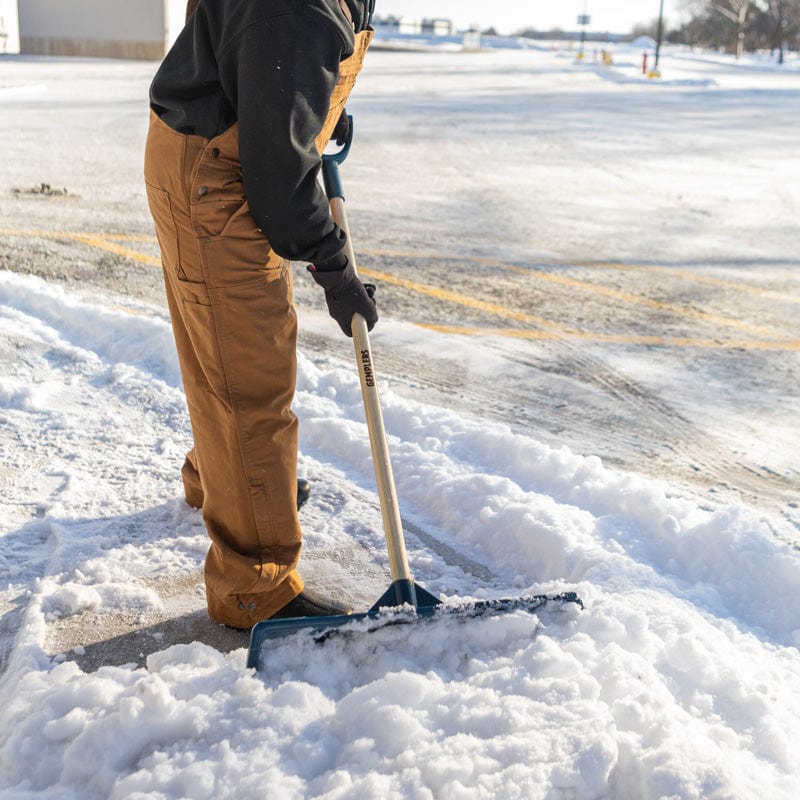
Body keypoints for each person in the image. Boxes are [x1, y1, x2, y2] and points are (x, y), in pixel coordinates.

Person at [144, 0, 378, 630]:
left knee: (220, 348)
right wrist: (335, 269)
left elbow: (238, 37)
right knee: (250, 378)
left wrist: (299, 99)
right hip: (223, 177)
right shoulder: (298, 9)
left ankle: (226, 482)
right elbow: (279, 178)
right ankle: (255, 585)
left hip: (202, 148)